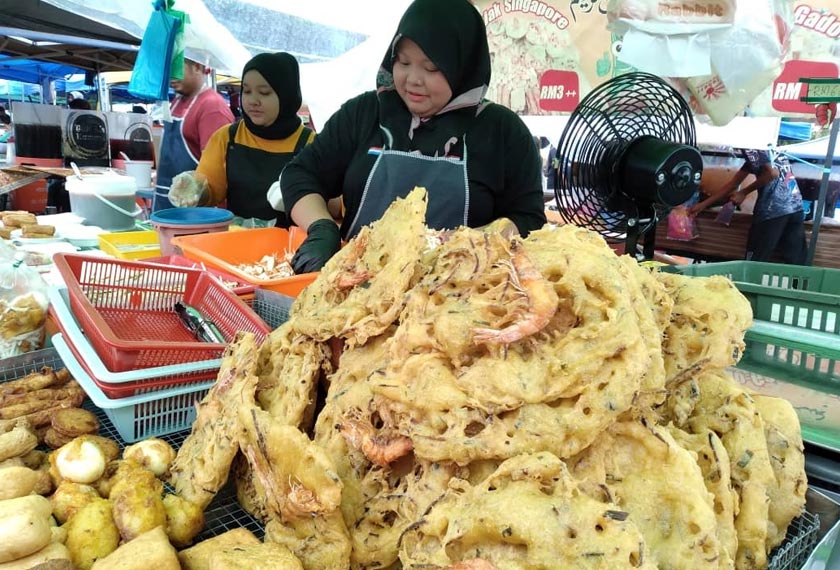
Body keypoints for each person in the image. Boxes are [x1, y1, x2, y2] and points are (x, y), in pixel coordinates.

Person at [281, 0, 546, 274]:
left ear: (463, 67)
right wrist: (321, 227)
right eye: (403, 62)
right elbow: (300, 174)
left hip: (458, 297)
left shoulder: (503, 131)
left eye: (431, 68)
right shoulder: (365, 113)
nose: (413, 79)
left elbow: (528, 218)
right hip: (355, 286)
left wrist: (472, 242)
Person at [170, 52, 314, 227]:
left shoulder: (311, 145)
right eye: (246, 91)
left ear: (286, 96)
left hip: (292, 248)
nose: (253, 100)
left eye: (264, 92)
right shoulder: (227, 137)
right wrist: (195, 190)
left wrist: (301, 199)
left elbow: (333, 205)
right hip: (236, 241)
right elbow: (211, 191)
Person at [689, 148, 807, 264]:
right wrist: (702, 205)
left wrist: (743, 193)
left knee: (754, 260)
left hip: (772, 210)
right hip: (796, 207)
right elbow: (733, 185)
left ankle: (749, 281)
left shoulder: (754, 148)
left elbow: (772, 173)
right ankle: (798, 283)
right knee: (796, 261)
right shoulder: (770, 151)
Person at [153, 59, 234, 212]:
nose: (170, 75)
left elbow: (218, 172)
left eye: (176, 67)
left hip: (196, 213)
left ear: (197, 66)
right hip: (165, 204)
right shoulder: (176, 102)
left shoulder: (212, 108)